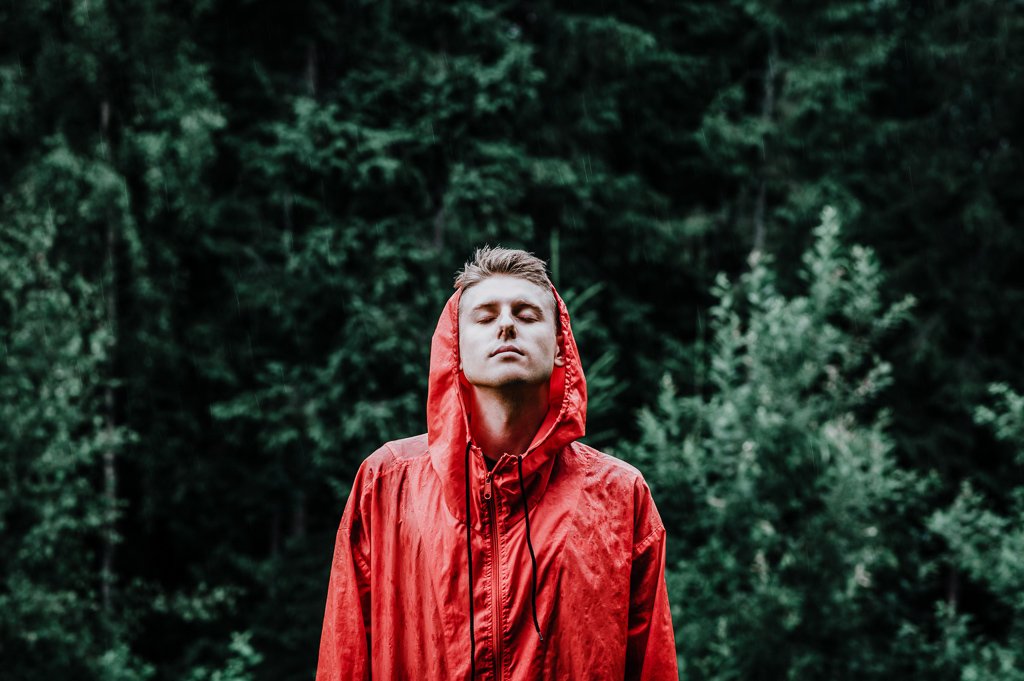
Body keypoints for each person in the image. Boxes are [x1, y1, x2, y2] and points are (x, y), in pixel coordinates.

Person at [316, 247, 678, 680]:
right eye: (485, 317)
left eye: (526, 315)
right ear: (457, 350)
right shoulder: (387, 483)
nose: (506, 324)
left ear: (561, 346)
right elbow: (345, 657)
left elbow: (651, 666)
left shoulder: (619, 495)